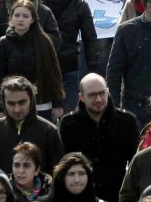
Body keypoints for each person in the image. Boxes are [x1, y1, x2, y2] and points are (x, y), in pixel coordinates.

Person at [58, 73, 140, 201]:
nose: (98, 99)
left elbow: (136, 164)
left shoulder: (127, 122)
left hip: (117, 195)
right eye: (92, 95)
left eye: (102, 93)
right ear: (81, 97)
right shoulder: (68, 125)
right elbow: (63, 165)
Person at [0, 0, 65, 120]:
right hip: (14, 103)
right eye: (17, 15)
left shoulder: (44, 41)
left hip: (41, 103)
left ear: (32, 19)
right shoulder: (3, 43)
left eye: (25, 16)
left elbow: (53, 74)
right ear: (11, 18)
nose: (20, 19)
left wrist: (58, 104)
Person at [0, 76, 64, 174]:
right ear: (4, 103)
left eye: (22, 102)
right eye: (11, 103)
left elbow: (58, 172)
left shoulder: (49, 131)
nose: (17, 109)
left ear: (32, 101)